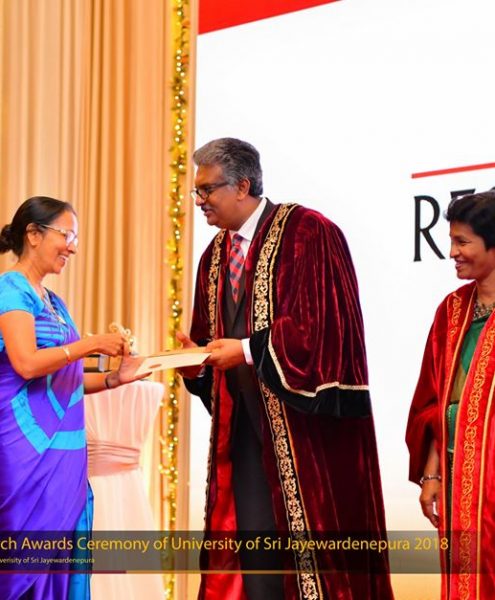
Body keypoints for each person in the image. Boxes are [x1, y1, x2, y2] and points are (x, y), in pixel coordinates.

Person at [178, 138, 394, 600]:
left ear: (242, 186)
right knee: (257, 563)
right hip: (245, 435)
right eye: (196, 191)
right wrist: (192, 361)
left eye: (206, 190)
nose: (198, 201)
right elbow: (208, 345)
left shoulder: (309, 233)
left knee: (317, 565)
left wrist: (246, 350)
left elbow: (322, 332)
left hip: (308, 435)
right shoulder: (212, 258)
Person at [0, 196, 146, 599]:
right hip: (24, 448)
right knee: (20, 560)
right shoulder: (10, 289)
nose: (73, 247)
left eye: (75, 238)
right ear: (33, 234)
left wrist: (115, 378)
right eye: (67, 235)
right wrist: (91, 344)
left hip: (64, 451)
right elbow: (27, 363)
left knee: (59, 559)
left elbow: (63, 379)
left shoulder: (55, 303)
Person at [406, 190, 495, 599]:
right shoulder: (452, 309)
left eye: (463, 242)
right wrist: (432, 475)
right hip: (460, 480)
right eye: (452, 241)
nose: (452, 252)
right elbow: (434, 403)